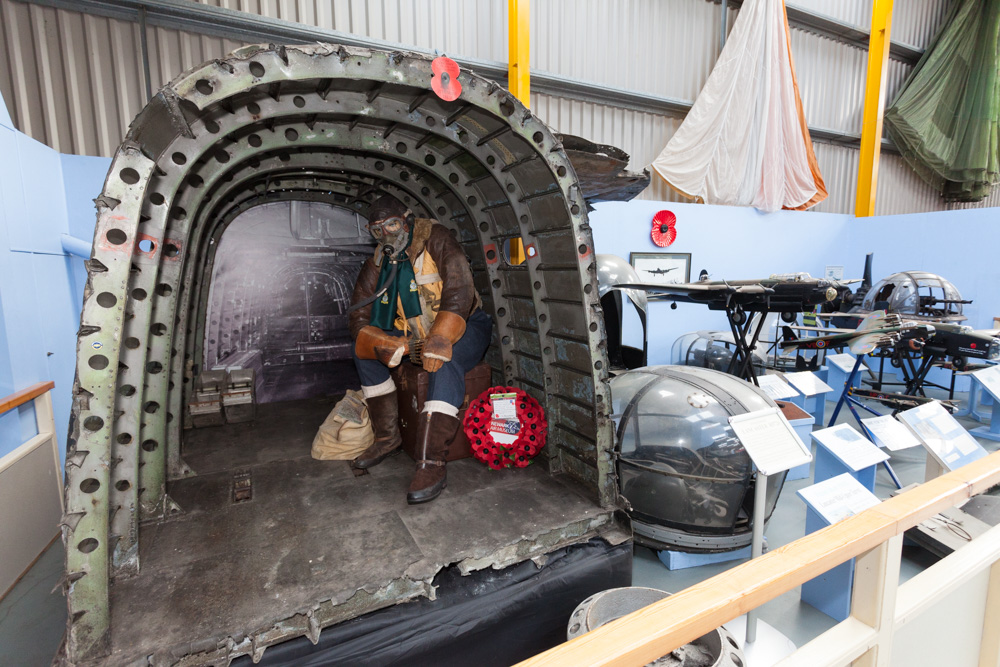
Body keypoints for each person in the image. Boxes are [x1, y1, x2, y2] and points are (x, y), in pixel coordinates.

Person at [348, 194, 492, 504]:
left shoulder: (437, 239)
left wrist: (440, 338)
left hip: (464, 325)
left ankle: (431, 463)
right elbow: (359, 316)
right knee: (364, 351)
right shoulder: (378, 260)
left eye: (393, 224)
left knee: (445, 360)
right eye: (377, 229)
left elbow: (460, 289)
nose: (386, 234)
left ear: (407, 219)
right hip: (415, 333)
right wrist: (384, 342)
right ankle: (387, 439)